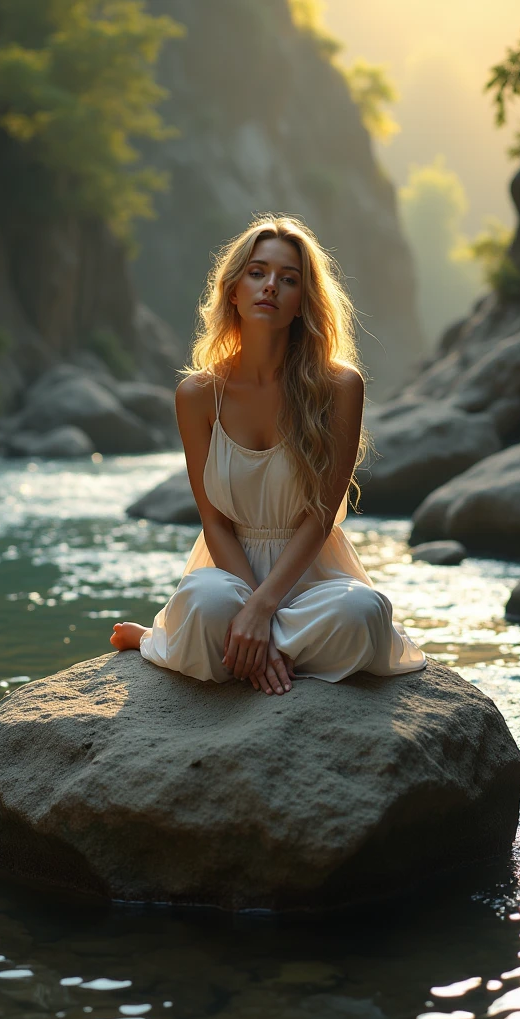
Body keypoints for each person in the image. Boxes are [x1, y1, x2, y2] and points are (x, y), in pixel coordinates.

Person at [110, 213, 426, 695]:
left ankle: (209, 646)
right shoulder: (198, 394)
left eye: (289, 279)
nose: (270, 286)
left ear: (303, 301)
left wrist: (260, 611)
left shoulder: (340, 387)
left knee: (364, 611)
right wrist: (246, 604)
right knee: (203, 600)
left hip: (312, 574)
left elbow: (321, 516)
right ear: (233, 290)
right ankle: (240, 645)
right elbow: (214, 522)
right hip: (228, 573)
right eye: (257, 272)